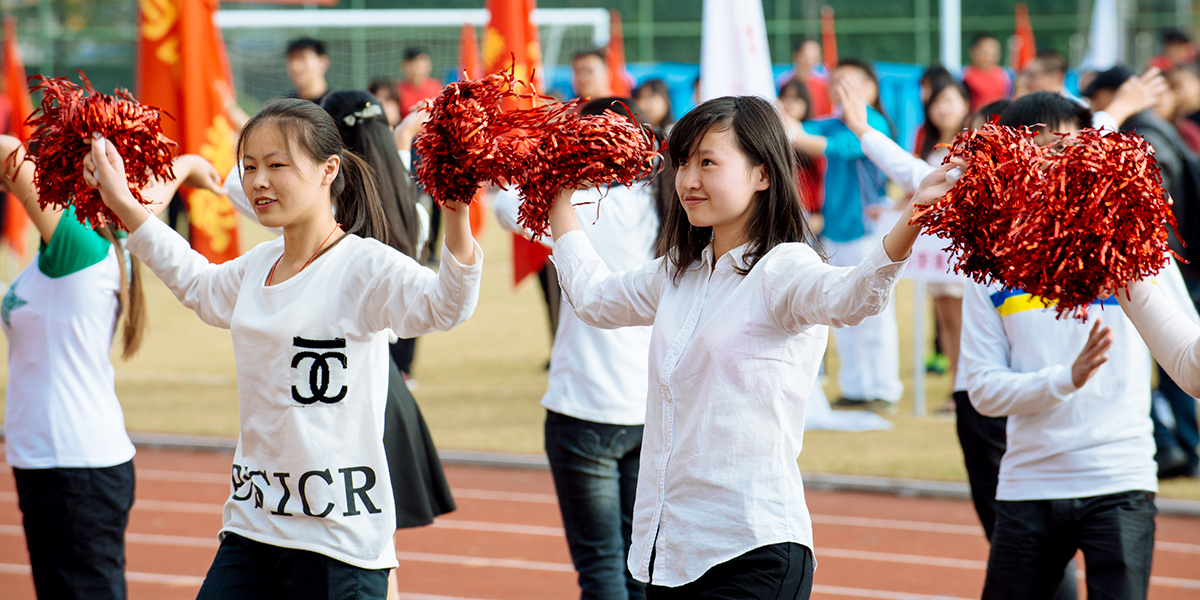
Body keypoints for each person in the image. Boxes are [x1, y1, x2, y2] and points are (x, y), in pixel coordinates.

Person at [543, 93, 958, 598]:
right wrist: (557, 197)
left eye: (708, 163)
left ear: (763, 174)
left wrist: (913, 216)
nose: (688, 181)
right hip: (670, 553)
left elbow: (853, 297)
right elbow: (593, 299)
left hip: (752, 551)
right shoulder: (679, 273)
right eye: (683, 163)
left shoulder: (783, 268)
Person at [83, 97, 483, 599]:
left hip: (339, 546)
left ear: (327, 170)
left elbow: (447, 306)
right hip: (253, 529)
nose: (258, 182)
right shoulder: (259, 264)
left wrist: (457, 212)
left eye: (277, 165)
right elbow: (197, 284)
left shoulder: (364, 266)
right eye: (249, 167)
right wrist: (121, 201)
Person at [961, 90, 1195, 600]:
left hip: (1120, 477)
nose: (1052, 166)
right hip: (1029, 483)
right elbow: (981, 389)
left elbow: (1191, 367)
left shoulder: (1135, 250)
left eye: (1069, 149)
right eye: (1036, 152)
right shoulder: (988, 268)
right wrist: (1067, 378)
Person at [0, 134, 222, 600]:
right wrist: (188, 166)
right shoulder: (105, 235)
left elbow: (5, 150)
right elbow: (148, 198)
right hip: (54, 462)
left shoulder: (77, 244)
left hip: (73, 467)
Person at [495, 98, 659, 600]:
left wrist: (554, 161)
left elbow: (505, 204)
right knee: (642, 565)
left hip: (584, 406)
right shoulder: (668, 204)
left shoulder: (576, 205)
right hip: (649, 407)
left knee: (601, 566)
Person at [1083, 66, 1200, 479]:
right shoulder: (1161, 129)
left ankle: (1174, 446)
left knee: (1156, 356)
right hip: (1164, 257)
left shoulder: (1139, 135)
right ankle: (1184, 445)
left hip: (1154, 257)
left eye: (1095, 99)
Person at [790, 59, 903, 411]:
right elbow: (809, 130)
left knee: (874, 313)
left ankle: (883, 389)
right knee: (840, 309)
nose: (839, 88)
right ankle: (856, 388)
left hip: (865, 230)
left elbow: (834, 147)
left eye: (848, 82)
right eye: (835, 82)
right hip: (836, 230)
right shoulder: (832, 123)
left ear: (869, 87)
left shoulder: (874, 123)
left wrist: (793, 130)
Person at [777, 78, 824, 232]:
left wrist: (819, 212)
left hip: (807, 213)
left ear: (806, 103)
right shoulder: (774, 136)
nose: (789, 104)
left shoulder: (813, 132)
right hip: (778, 211)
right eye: (785, 98)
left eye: (796, 99)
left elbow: (822, 178)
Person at [775, 39, 831, 117]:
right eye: (805, 57)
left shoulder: (823, 86)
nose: (809, 62)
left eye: (813, 58)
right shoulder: (784, 83)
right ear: (796, 56)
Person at [962, 34, 1012, 112]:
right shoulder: (963, 75)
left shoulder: (1006, 75)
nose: (988, 56)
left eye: (992, 53)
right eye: (984, 52)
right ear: (973, 51)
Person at [397, 48, 442, 119]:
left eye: (419, 65)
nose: (416, 69)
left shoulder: (436, 87)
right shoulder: (397, 89)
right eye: (413, 64)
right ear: (404, 66)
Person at [286, 37, 333, 105]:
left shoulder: (338, 106)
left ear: (322, 62)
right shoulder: (284, 108)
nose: (295, 67)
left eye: (302, 58)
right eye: (291, 59)